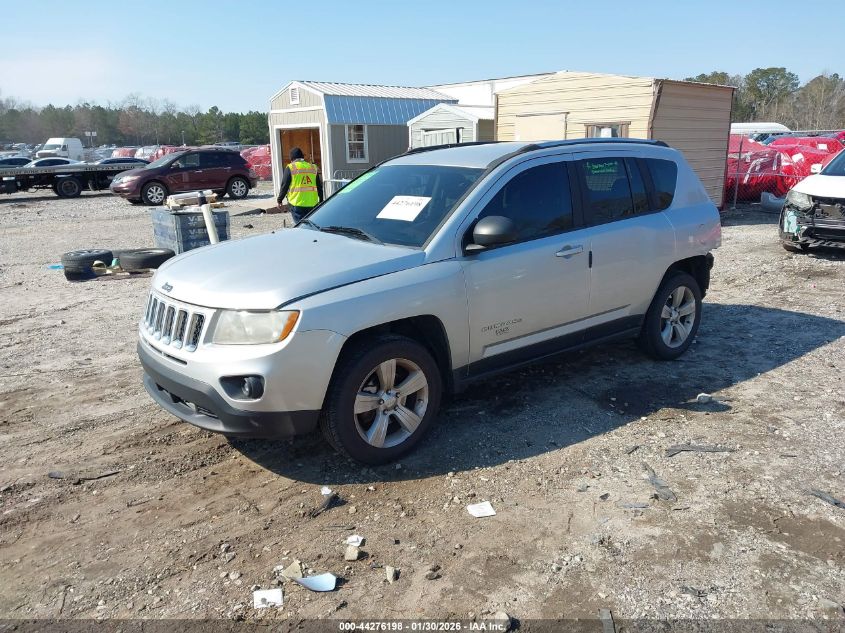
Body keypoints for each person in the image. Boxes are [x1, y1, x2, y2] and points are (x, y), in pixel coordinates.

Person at [276, 147, 324, 222]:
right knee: (310, 227)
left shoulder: (290, 167)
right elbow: (319, 186)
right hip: (312, 204)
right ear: (302, 157)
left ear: (292, 158)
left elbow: (284, 185)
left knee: (300, 228)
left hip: (297, 204)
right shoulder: (313, 167)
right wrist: (321, 200)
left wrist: (279, 200)